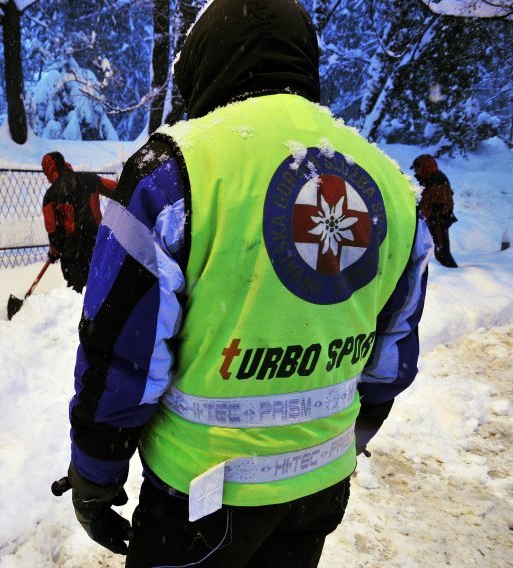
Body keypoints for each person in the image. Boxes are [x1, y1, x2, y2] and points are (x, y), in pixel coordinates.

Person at [61, 1, 433, 566]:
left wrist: (96, 474)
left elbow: (119, 349)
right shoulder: (394, 187)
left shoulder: (172, 171)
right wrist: (347, 440)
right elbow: (393, 350)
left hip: (201, 495)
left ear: (203, 64)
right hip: (320, 487)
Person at [41, 151, 117, 292]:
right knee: (101, 284)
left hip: (72, 252)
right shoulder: (88, 179)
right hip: (97, 241)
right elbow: (115, 188)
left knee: (77, 291)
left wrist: (54, 249)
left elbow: (53, 229)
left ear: (49, 171)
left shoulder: (50, 196)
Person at [412, 154, 458, 267]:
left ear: (424, 168)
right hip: (436, 220)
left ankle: (452, 273)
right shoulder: (431, 179)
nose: (416, 172)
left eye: (417, 169)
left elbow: (429, 204)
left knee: (442, 250)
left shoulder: (435, 181)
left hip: (438, 221)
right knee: (439, 248)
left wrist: (420, 215)